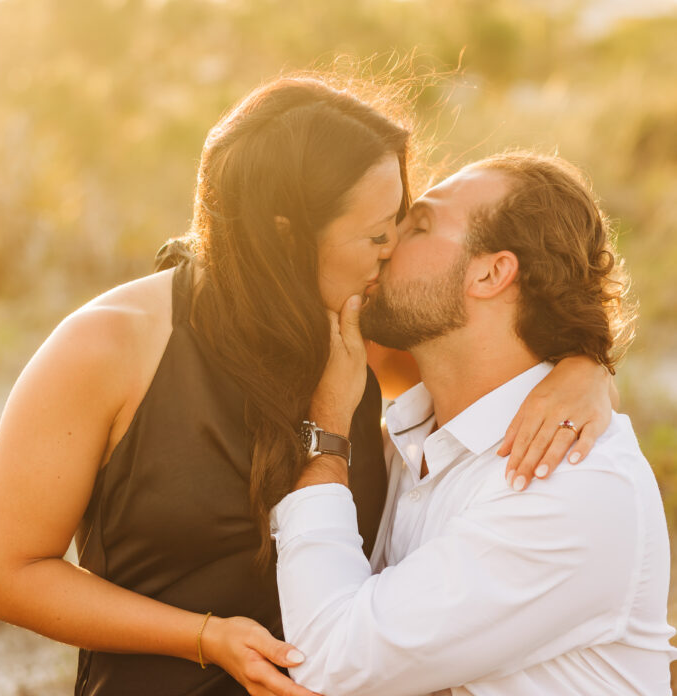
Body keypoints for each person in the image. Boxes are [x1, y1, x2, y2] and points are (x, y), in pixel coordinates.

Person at [0, 80, 615, 696]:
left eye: (399, 223)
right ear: (286, 232)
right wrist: (203, 638)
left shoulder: (363, 333)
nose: (393, 251)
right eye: (376, 236)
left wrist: (584, 369)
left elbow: (493, 353)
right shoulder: (107, 346)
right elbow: (9, 570)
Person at [273, 151, 676, 696]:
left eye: (418, 225)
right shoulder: (424, 435)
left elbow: (330, 663)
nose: (387, 242)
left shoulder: (564, 480)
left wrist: (325, 439)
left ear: (491, 272)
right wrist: (591, 367)